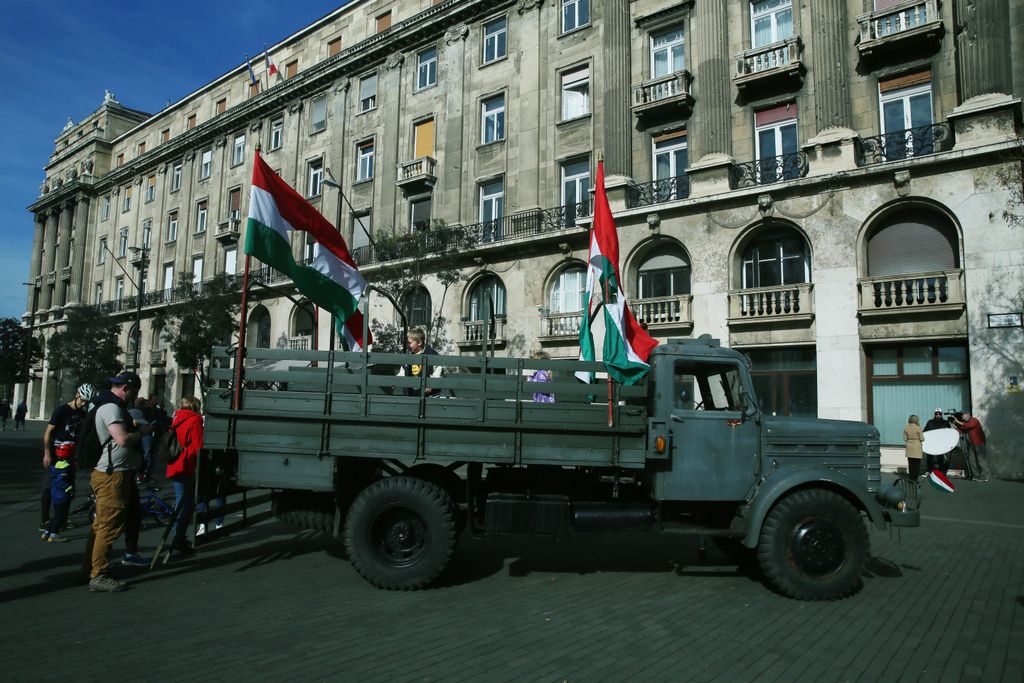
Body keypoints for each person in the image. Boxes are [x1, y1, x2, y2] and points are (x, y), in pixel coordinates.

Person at [82, 372, 153, 592]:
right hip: (112, 475)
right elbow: (121, 440)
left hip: (114, 473)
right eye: (134, 392)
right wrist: (141, 432)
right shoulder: (111, 408)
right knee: (108, 526)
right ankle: (99, 574)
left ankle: (91, 568)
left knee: (101, 524)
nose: (135, 397)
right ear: (125, 389)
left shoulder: (107, 406)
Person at [40, 384, 92, 542]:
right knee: (51, 489)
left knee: (66, 490)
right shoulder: (62, 410)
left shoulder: (83, 414)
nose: (84, 403)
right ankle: (48, 522)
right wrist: (47, 453)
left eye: (86, 401)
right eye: (83, 399)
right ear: (77, 395)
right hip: (56, 455)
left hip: (70, 457)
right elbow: (48, 432)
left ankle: (56, 524)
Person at [166, 396, 204, 554]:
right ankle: (178, 537)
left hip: (175, 464)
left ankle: (179, 536)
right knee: (186, 504)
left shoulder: (176, 419)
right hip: (185, 464)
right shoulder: (195, 420)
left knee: (183, 501)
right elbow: (198, 446)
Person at [397, 327, 443, 397]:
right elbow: (402, 372)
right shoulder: (409, 355)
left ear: (419, 343)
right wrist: (395, 381)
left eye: (410, 343)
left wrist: (431, 384)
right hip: (411, 394)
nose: (408, 345)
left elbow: (438, 370)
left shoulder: (431, 354)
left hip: (429, 396)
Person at [952, 411, 989, 482]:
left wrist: (957, 421)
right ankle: (976, 475)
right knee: (971, 460)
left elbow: (967, 426)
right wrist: (954, 425)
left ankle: (984, 476)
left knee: (980, 460)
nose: (962, 417)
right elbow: (961, 430)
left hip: (979, 444)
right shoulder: (965, 423)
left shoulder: (974, 420)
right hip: (971, 445)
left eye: (963, 415)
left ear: (968, 415)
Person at [903, 414, 924, 479]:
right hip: (917, 447)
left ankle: (911, 478)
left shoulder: (906, 427)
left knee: (911, 465)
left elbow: (905, 438)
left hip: (909, 447)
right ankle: (915, 479)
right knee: (916, 465)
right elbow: (922, 439)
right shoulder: (918, 428)